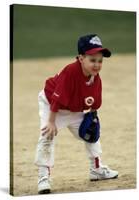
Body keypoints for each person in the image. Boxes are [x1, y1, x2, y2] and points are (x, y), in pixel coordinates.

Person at [34, 34, 118, 194]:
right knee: (47, 136)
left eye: (100, 60)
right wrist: (51, 122)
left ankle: (96, 169)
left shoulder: (95, 78)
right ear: (81, 58)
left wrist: (93, 118)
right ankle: (43, 177)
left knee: (93, 134)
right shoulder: (70, 71)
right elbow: (56, 99)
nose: (97, 64)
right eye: (92, 60)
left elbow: (94, 103)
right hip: (52, 105)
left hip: (73, 108)